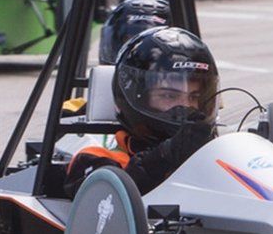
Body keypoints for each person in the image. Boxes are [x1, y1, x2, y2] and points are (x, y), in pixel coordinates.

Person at [64, 26, 218, 197]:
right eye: (169, 95)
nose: (186, 107)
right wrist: (165, 156)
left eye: (194, 97)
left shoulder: (212, 155)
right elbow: (105, 201)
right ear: (138, 98)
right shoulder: (96, 158)